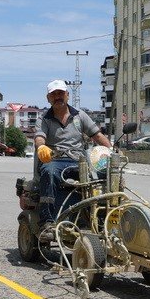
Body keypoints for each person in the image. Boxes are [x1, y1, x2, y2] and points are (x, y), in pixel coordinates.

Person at [34, 80, 111, 243]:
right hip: (54, 159)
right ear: (48, 98)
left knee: (99, 178)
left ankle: (98, 218)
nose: (57, 97)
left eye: (60, 93)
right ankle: (47, 223)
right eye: (53, 94)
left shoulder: (79, 115)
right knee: (48, 172)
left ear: (67, 95)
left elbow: (97, 135)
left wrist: (111, 150)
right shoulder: (45, 118)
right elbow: (40, 137)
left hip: (77, 160)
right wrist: (42, 147)